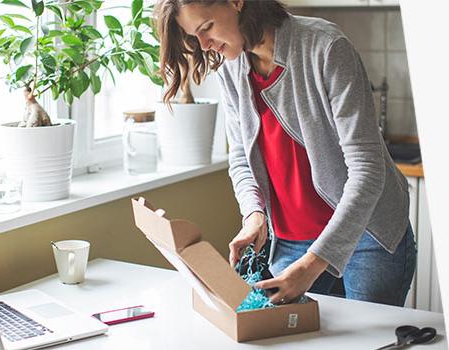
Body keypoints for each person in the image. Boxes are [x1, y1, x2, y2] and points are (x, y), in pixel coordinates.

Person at [154, 0, 416, 306]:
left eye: (207, 27)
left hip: (367, 238)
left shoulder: (325, 47)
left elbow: (367, 169)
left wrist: (311, 264)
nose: (204, 44)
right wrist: (254, 215)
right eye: (193, 36)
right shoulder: (230, 67)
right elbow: (240, 157)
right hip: (292, 242)